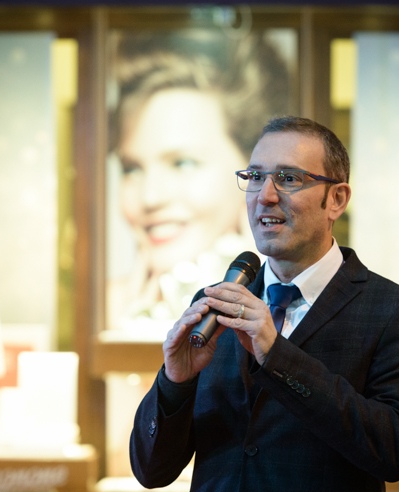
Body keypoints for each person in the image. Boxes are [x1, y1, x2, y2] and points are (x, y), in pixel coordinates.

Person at [129, 116, 399, 492]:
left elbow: (397, 450)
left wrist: (278, 355)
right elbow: (150, 470)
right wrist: (174, 383)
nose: (266, 195)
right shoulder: (216, 305)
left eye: (288, 179)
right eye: (255, 177)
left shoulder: (394, 310)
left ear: (337, 199)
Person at [105, 29, 294, 334]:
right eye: (132, 169)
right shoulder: (100, 312)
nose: (150, 197)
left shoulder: (300, 310)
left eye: (183, 163)